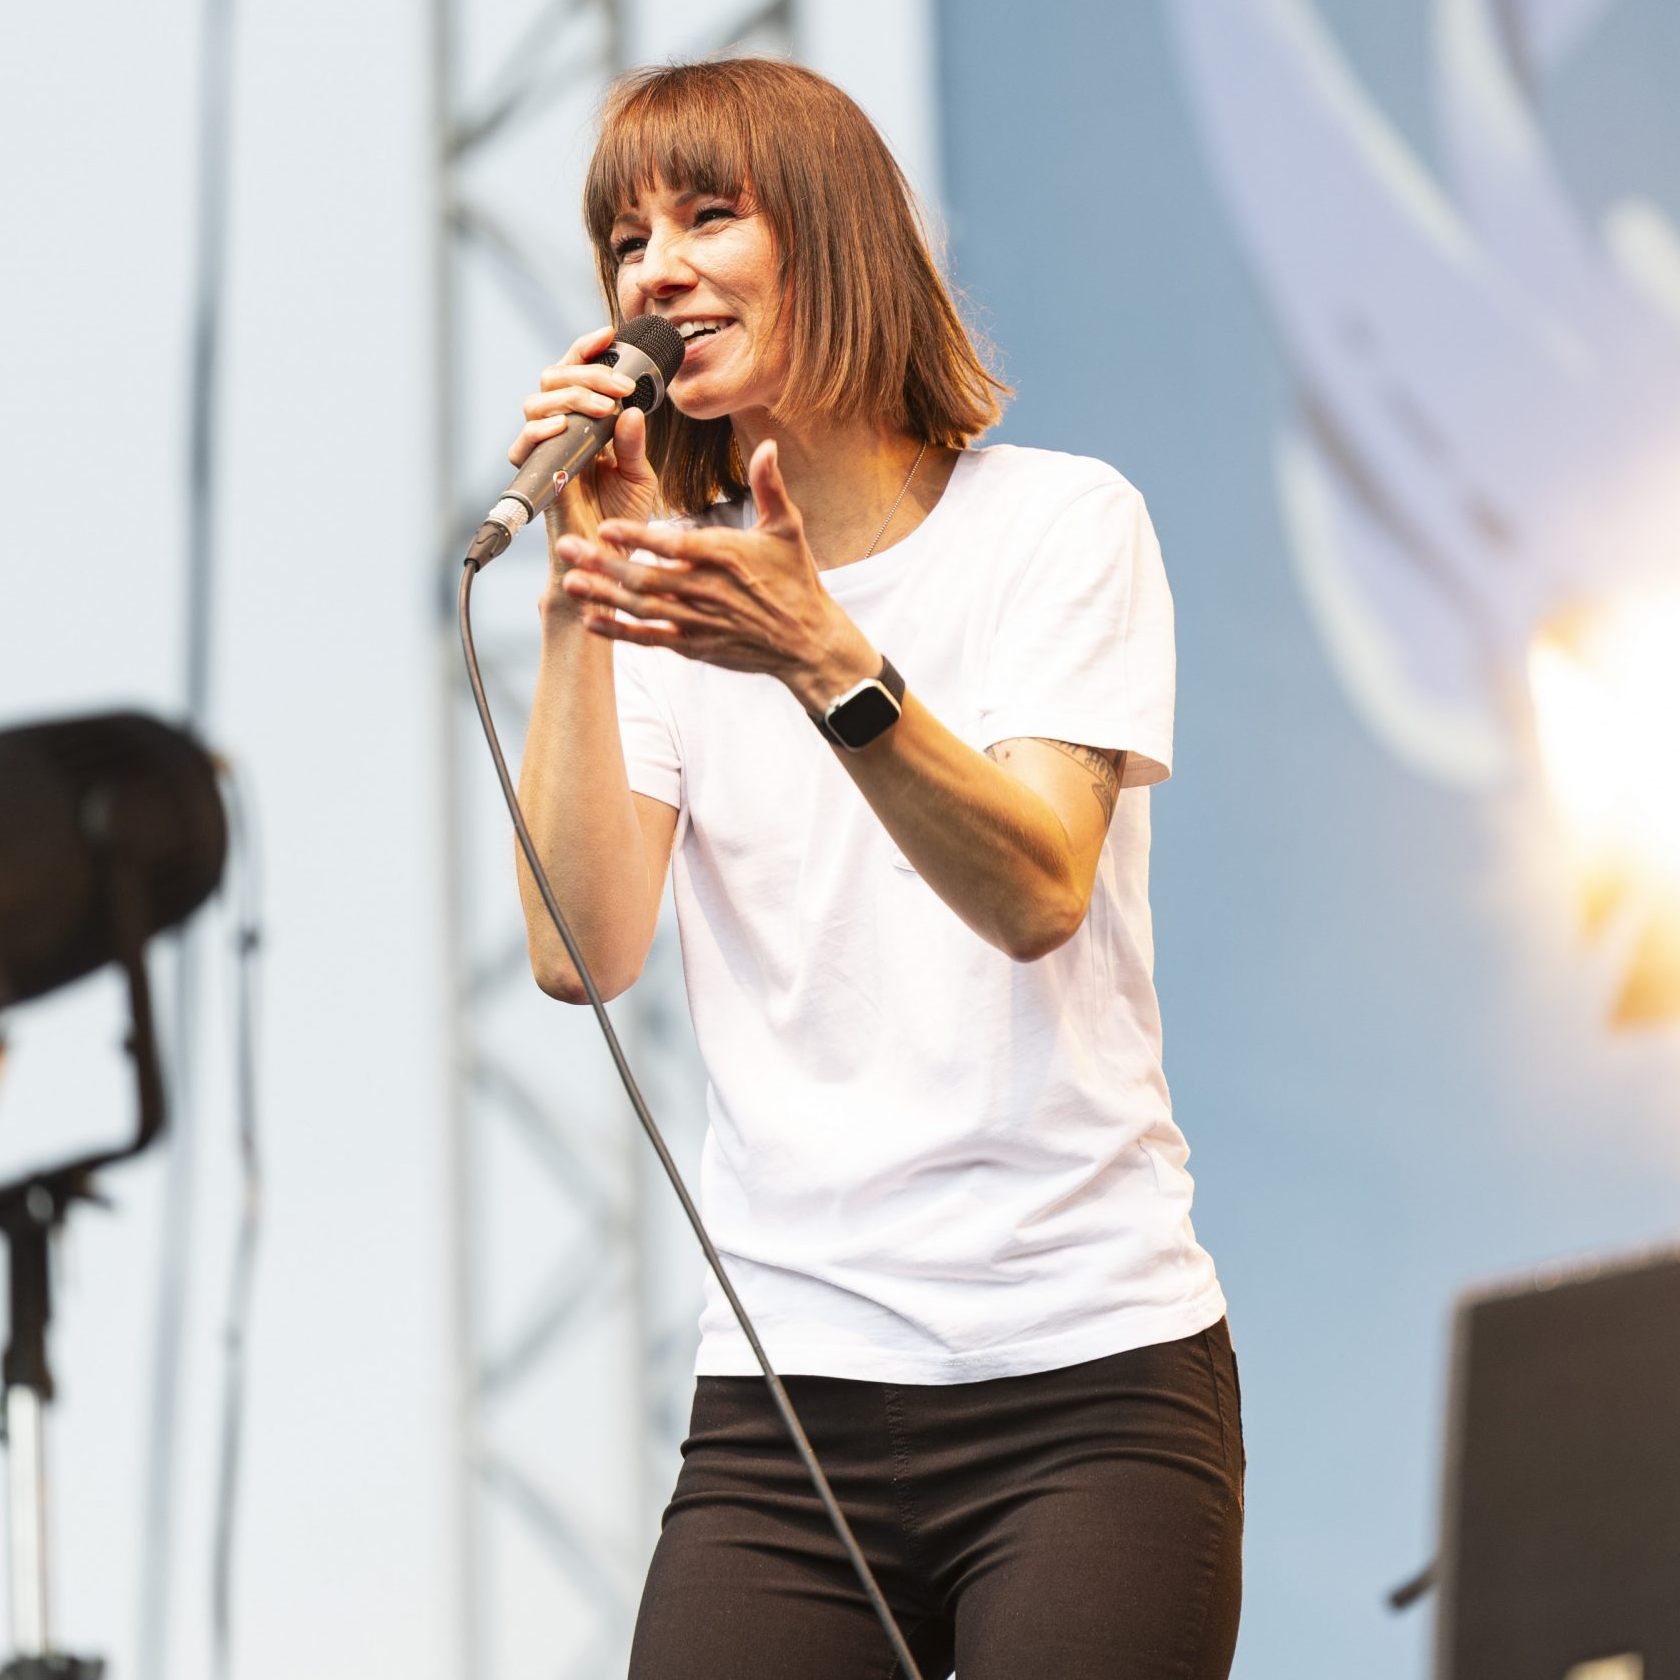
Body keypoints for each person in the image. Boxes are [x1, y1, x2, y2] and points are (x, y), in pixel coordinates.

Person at [509, 56, 1243, 1680]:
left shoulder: (1060, 528)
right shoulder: (676, 603)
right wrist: (578, 600)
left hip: (1087, 1386)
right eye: (626, 239)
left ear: (835, 239)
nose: (657, 271)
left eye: (710, 215)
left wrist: (826, 657)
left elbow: (1039, 891)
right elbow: (583, 950)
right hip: (785, 1398)